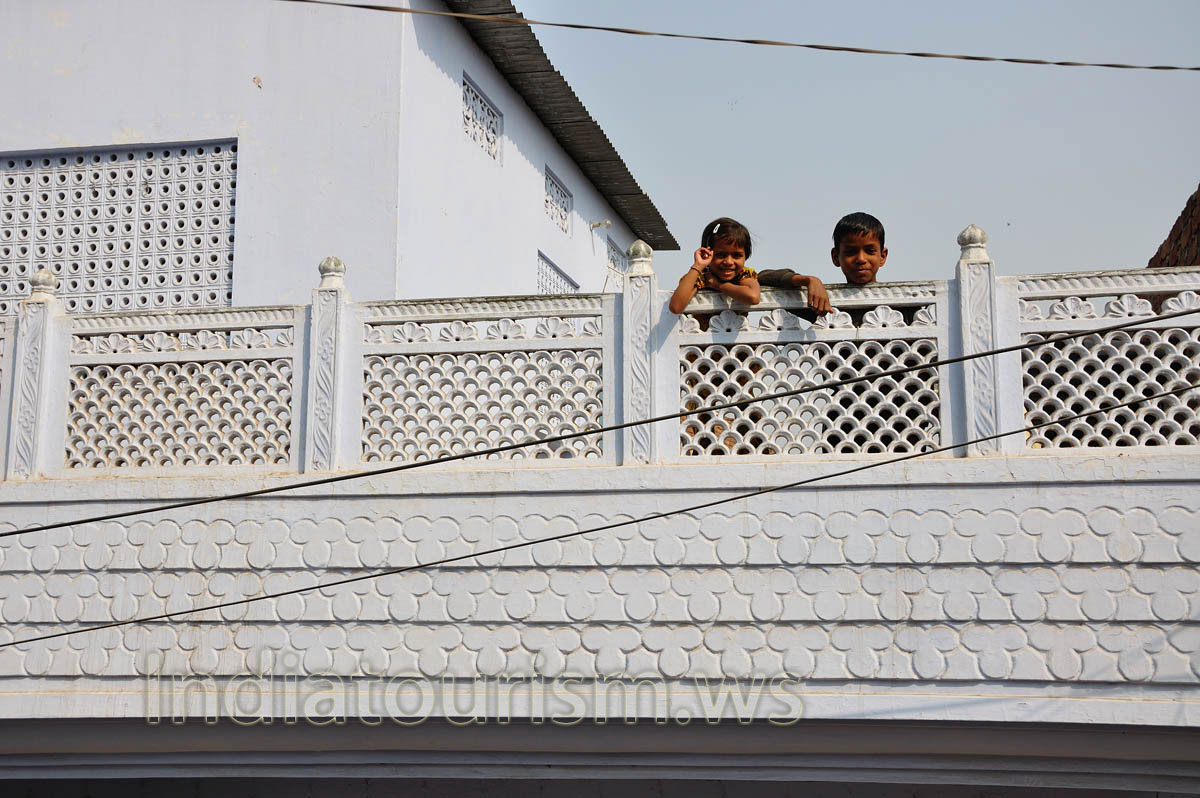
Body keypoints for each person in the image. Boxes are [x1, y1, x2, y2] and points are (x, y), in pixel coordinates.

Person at [668, 217, 831, 316]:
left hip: (741, 357)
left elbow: (752, 296)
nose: (729, 262)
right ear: (708, 253)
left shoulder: (744, 275)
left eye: (737, 255)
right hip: (703, 361)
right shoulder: (701, 277)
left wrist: (718, 285)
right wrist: (698, 266)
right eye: (720, 255)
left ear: (746, 256)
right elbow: (676, 306)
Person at [831, 211, 888, 285]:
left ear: (882, 256)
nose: (861, 259)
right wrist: (811, 282)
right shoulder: (825, 295)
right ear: (835, 257)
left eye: (870, 251)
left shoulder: (900, 294)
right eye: (850, 252)